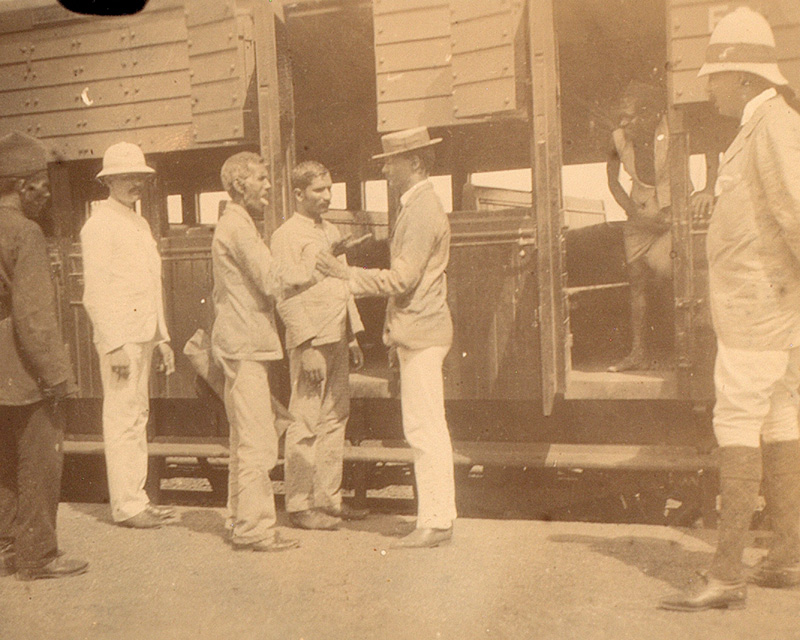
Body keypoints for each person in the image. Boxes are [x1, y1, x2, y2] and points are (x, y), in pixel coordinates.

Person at [660, 7, 800, 611]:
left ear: (743, 78)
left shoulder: (772, 126)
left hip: (758, 314)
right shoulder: (763, 125)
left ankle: (725, 575)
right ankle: (789, 555)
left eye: (714, 77)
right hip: (767, 313)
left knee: (739, 426)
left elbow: (796, 214)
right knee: (780, 421)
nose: (706, 86)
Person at [319, 127, 457, 548]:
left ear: (414, 163)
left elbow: (402, 279)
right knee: (428, 426)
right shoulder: (419, 206)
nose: (385, 169)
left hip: (422, 330)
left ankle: (433, 522)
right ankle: (439, 517)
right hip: (421, 329)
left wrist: (347, 274)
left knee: (423, 428)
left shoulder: (419, 211)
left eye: (390, 163)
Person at [212, 152, 329, 551]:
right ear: (240, 185)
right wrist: (315, 269)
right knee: (259, 443)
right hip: (245, 344)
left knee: (243, 437)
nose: (267, 187)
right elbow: (271, 277)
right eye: (261, 179)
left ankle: (238, 519)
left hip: (238, 342)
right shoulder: (239, 227)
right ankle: (254, 530)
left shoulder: (236, 223)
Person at [0, 131, 88, 580]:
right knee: (38, 460)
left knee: (2, 464)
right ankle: (38, 555)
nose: (47, 195)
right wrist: (57, 376)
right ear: (23, 186)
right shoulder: (25, 231)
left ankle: (5, 550)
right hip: (23, 370)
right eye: (43, 186)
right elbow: (32, 316)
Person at [81, 142, 176, 529]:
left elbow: (151, 285)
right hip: (121, 341)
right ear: (109, 181)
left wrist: (162, 337)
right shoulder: (98, 225)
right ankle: (126, 506)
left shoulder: (139, 223)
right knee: (122, 418)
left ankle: (137, 499)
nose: (134, 183)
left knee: (138, 416)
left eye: (139, 176)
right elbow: (96, 293)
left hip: (144, 336)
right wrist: (115, 344)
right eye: (125, 177)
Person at [271, 161, 368, 531]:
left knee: (334, 420)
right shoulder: (285, 236)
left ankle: (328, 501)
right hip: (311, 341)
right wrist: (306, 345)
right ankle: (299, 505)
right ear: (298, 193)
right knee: (305, 422)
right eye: (318, 191)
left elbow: (343, 284)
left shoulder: (331, 231)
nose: (326, 196)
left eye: (329, 189)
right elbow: (284, 295)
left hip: (338, 337)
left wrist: (354, 333)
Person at [606, 81, 717, 372]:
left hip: (674, 213)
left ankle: (686, 352)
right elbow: (613, 183)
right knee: (636, 280)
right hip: (640, 216)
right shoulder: (617, 138)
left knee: (669, 269)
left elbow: (711, 149)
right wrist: (633, 212)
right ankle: (638, 352)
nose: (624, 122)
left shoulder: (673, 124)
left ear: (650, 115)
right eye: (622, 116)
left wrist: (708, 189)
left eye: (630, 116)